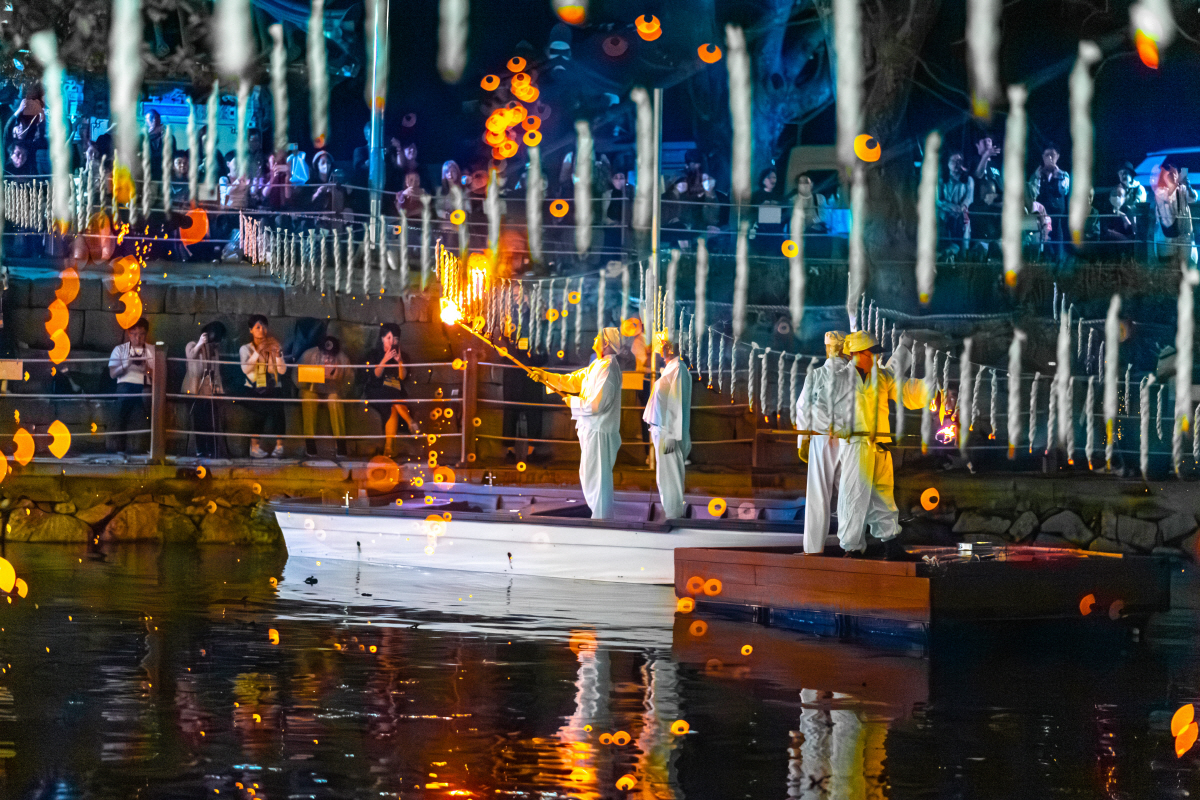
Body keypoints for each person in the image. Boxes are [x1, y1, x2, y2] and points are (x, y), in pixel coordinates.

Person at [836, 331, 928, 557]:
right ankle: (852, 548)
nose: (875, 357)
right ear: (857, 354)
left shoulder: (880, 377)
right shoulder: (839, 379)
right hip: (855, 444)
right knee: (853, 495)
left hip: (879, 444)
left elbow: (905, 389)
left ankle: (891, 544)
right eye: (871, 353)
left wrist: (932, 387)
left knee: (883, 495)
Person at [532, 328, 624, 519]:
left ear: (605, 343)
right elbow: (574, 382)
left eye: (598, 337)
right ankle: (600, 518)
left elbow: (597, 404)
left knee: (598, 480)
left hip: (600, 432)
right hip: (592, 429)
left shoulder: (608, 369)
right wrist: (545, 377)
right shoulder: (598, 365)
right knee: (590, 477)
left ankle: (602, 521)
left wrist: (572, 402)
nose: (594, 339)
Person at [795, 331, 851, 554]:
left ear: (828, 348)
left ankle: (813, 549)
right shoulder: (854, 375)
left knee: (819, 494)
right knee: (849, 493)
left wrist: (803, 440)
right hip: (849, 439)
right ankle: (852, 547)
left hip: (820, 439)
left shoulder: (816, 375)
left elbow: (802, 408)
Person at [643, 332, 692, 519]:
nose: (660, 348)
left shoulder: (678, 368)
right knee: (665, 479)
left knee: (670, 479)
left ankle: (674, 517)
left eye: (663, 344)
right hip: (662, 430)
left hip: (667, 433)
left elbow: (676, 402)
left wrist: (671, 434)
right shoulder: (672, 368)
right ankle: (672, 515)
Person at [365, 322, 419, 457]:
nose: (392, 341)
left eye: (395, 339)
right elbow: (375, 376)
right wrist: (384, 360)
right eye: (389, 338)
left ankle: (389, 449)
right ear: (382, 338)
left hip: (395, 392)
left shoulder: (403, 356)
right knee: (391, 396)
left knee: (392, 406)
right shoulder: (374, 354)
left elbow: (402, 378)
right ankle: (409, 421)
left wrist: (400, 361)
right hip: (376, 391)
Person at [239, 314, 287, 458]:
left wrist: (277, 354)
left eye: (264, 327)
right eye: (257, 327)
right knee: (258, 409)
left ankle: (280, 446)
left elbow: (282, 370)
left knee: (279, 406)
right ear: (251, 330)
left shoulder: (274, 344)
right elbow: (246, 369)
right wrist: (259, 351)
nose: (261, 330)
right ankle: (254, 448)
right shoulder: (245, 349)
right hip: (253, 387)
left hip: (271, 386)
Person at [107, 317, 155, 458]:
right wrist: (127, 364)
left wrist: (146, 368)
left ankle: (152, 446)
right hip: (125, 383)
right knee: (123, 402)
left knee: (152, 407)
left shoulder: (152, 350)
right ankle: (120, 447)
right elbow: (112, 374)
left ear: (146, 334)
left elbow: (158, 375)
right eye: (134, 334)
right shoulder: (120, 350)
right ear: (129, 333)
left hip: (146, 383)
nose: (137, 338)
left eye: (141, 334)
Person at [297, 335, 350, 460]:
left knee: (335, 400)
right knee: (308, 398)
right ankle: (310, 443)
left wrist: (337, 378)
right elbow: (297, 377)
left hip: (333, 391)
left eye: (331, 355)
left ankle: (340, 443)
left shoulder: (343, 360)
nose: (327, 358)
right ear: (319, 350)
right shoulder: (308, 355)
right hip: (312, 389)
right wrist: (318, 374)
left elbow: (350, 383)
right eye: (325, 354)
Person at [183, 321, 226, 459]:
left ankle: (212, 449)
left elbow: (217, 372)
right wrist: (201, 344)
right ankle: (200, 449)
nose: (215, 344)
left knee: (211, 421)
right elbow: (191, 356)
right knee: (199, 420)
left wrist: (220, 389)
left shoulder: (215, 352)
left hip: (209, 390)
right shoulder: (192, 345)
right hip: (195, 389)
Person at [1027, 145, 1070, 261]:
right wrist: (1038, 176)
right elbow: (1032, 193)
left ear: (1058, 157)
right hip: (1042, 218)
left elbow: (1064, 190)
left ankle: (1058, 270)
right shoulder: (1037, 174)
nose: (1050, 158)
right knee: (1045, 249)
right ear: (1042, 157)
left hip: (1058, 219)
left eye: (1053, 155)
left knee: (1059, 250)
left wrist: (1057, 175)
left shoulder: (1064, 175)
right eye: (1047, 155)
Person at [1156, 164, 1198, 265]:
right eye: (1170, 174)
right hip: (1168, 239)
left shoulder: (1183, 189)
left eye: (1175, 173)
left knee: (1186, 267)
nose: (1173, 175)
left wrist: (1188, 187)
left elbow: (1193, 198)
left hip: (1184, 236)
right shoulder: (1160, 191)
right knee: (1170, 267)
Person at [937, 152, 974, 260]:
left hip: (962, 213)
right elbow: (939, 200)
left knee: (966, 224)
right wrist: (952, 207)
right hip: (945, 213)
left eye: (959, 161)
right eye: (954, 161)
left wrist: (961, 208)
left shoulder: (968, 180)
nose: (957, 164)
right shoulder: (941, 180)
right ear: (948, 163)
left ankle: (964, 255)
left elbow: (969, 198)